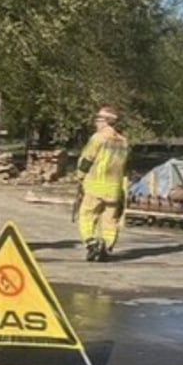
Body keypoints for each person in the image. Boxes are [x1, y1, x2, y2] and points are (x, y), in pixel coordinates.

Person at [75, 105, 129, 262]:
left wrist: (80, 176)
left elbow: (87, 159)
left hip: (95, 186)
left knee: (86, 215)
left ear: (105, 121)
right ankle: (106, 245)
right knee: (110, 220)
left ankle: (91, 244)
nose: (95, 122)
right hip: (114, 189)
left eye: (98, 119)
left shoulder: (98, 138)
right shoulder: (123, 142)